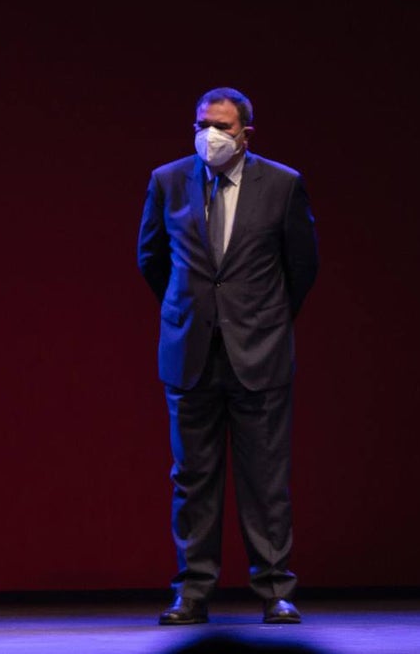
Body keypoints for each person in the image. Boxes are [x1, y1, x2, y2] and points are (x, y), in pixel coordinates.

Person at [137, 87, 318, 625]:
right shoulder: (168, 180)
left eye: (224, 126)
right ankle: (192, 592)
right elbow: (152, 259)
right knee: (192, 477)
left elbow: (302, 267)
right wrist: (192, 311)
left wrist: (260, 320)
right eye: (203, 124)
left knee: (265, 479)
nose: (212, 136)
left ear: (246, 133)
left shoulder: (282, 185)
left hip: (258, 353)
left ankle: (275, 589)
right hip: (191, 350)